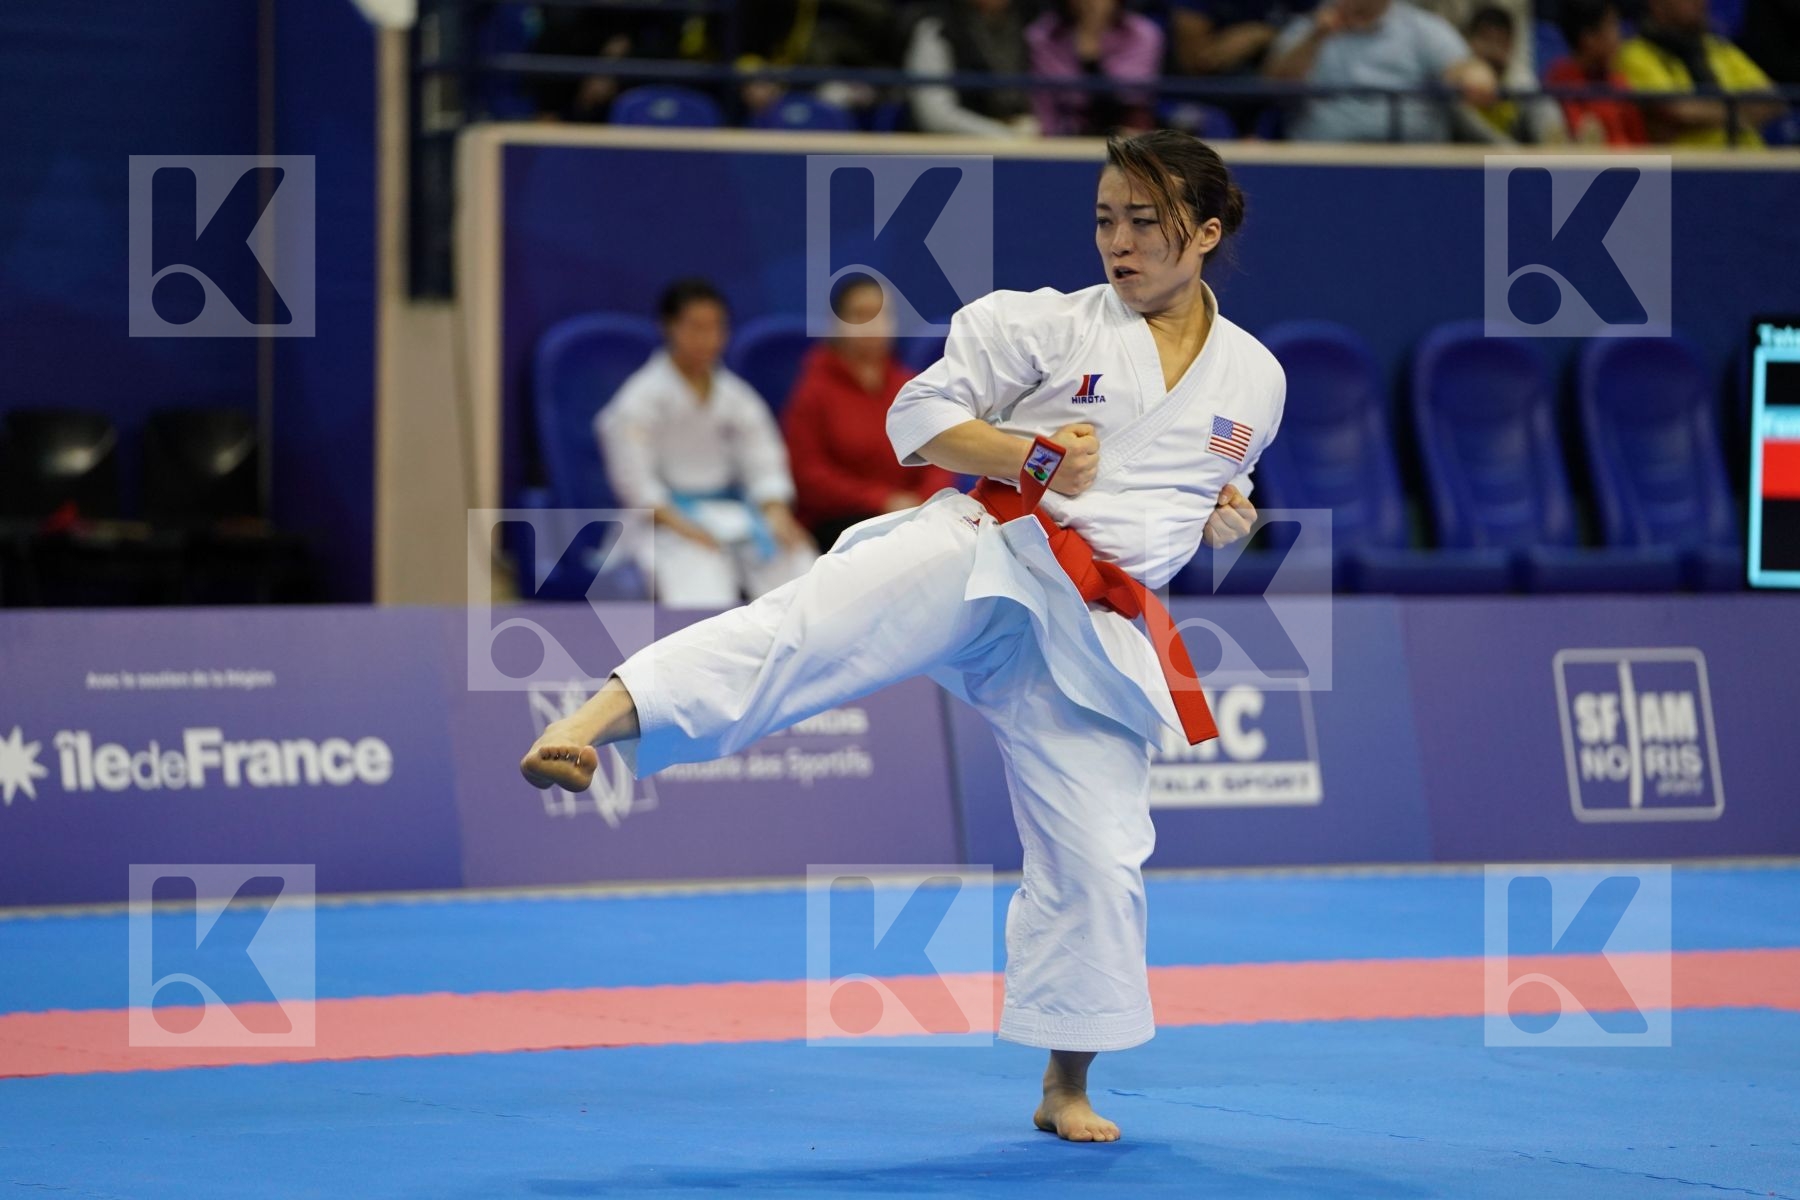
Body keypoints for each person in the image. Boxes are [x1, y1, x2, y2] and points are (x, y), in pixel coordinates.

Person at [522, 130, 1280, 1143]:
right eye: (1107, 218)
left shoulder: (1256, 379)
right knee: (808, 622)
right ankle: (590, 720)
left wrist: (1230, 504)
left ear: (1205, 234)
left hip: (1099, 625)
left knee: (1100, 857)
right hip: (991, 548)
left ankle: (1065, 1085)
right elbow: (919, 422)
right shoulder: (1041, 327)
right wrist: (1029, 452)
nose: (1120, 241)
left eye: (1146, 222)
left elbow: (1210, 468)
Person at [595, 279, 816, 609]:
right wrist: (688, 529)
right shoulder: (638, 400)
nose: (708, 339)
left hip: (734, 512)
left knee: (798, 562)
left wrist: (776, 513)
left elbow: (763, 461)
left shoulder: (736, 396)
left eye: (716, 328)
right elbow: (636, 485)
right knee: (702, 582)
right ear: (670, 327)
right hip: (667, 521)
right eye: (696, 328)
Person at [781, 277, 959, 550]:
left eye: (881, 314)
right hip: (842, 523)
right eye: (861, 315)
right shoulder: (813, 391)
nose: (873, 325)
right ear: (838, 323)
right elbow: (809, 476)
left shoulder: (910, 384)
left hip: (915, 513)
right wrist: (883, 500)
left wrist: (926, 500)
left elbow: (941, 452)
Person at [1263, 0, 1501, 141]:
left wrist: (1475, 75)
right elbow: (1275, 88)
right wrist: (1316, 38)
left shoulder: (1421, 27)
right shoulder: (1310, 28)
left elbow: (1464, 67)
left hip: (1410, 165)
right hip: (1323, 163)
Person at [1618, 0, 1788, 145]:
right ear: (1657, 5)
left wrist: (1707, 115)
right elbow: (1677, 110)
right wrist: (1742, 114)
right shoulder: (1636, 54)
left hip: (1749, 163)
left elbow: (1772, 100)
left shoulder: (1719, 48)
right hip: (1689, 170)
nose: (1701, 2)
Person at [1025, 0, 1166, 135]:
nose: (1090, 2)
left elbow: (1130, 98)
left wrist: (1091, 48)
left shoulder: (1142, 34)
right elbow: (1046, 104)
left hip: (1128, 137)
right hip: (1064, 138)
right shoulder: (1044, 35)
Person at [905, 0, 1041, 136]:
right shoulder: (936, 26)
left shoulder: (1031, 21)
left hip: (1018, 140)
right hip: (956, 149)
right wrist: (1002, 134)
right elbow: (935, 115)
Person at [1544, 0, 1650, 144]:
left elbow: (1639, 142)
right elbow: (1579, 138)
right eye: (1612, 27)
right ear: (1588, 38)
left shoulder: (1619, 82)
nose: (1619, 38)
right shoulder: (1561, 82)